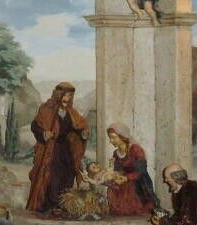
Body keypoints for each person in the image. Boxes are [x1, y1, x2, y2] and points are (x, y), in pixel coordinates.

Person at [26, 82, 90, 213]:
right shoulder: (46, 109)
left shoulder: (71, 112)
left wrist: (82, 134)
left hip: (66, 150)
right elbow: (35, 126)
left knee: (68, 175)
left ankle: (63, 204)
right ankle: (52, 205)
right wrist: (44, 133)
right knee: (52, 177)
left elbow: (77, 127)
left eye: (70, 96)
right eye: (66, 95)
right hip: (52, 150)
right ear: (58, 95)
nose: (68, 99)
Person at [105, 123, 159, 216]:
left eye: (113, 137)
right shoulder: (116, 153)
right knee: (113, 186)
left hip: (137, 182)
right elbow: (117, 170)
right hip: (122, 181)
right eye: (110, 138)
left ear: (122, 137)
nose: (111, 141)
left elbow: (141, 171)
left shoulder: (135, 149)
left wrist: (126, 178)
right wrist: (115, 175)